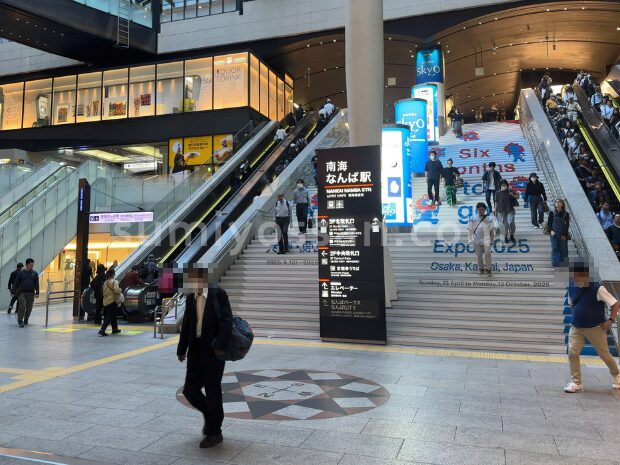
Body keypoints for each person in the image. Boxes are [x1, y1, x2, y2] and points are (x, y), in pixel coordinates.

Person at [177, 266, 232, 449]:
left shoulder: (218, 294)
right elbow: (187, 323)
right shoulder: (191, 298)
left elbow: (226, 321)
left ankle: (215, 432)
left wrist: (219, 345)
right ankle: (212, 417)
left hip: (213, 351)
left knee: (212, 389)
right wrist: (181, 348)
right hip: (195, 349)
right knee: (190, 390)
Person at [564, 262, 620, 393]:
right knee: (572, 352)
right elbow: (572, 304)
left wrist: (610, 320)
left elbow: (615, 304)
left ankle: (616, 375)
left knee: (604, 354)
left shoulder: (597, 288)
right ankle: (576, 382)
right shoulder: (571, 286)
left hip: (596, 327)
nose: (578, 279)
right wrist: (578, 317)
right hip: (576, 326)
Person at [468, 202, 494, 275]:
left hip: (487, 239)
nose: (480, 211)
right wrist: (470, 239)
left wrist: (492, 240)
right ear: (477, 209)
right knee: (479, 255)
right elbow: (470, 230)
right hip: (477, 239)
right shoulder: (472, 218)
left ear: (485, 210)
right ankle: (481, 268)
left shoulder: (489, 219)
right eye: (479, 209)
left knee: (487, 254)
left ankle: (488, 269)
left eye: (482, 209)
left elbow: (492, 231)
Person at [11, 258, 39, 327]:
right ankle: (20, 321)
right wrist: (12, 291)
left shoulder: (35, 273)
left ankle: (26, 319)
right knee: (22, 306)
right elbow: (16, 283)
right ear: (26, 264)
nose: (32, 266)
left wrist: (37, 292)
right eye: (31, 264)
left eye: (33, 264)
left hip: (31, 293)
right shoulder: (21, 273)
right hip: (22, 293)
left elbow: (36, 283)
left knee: (29, 308)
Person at [99, 268, 122, 337]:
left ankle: (115, 329)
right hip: (112, 300)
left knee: (112, 315)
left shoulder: (105, 282)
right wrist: (120, 290)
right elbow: (116, 290)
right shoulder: (114, 281)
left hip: (106, 301)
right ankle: (102, 330)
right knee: (109, 316)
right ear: (113, 274)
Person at [494, 179, 518, 244]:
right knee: (505, 225)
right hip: (501, 211)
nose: (504, 186)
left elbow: (517, 196)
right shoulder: (497, 192)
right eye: (502, 185)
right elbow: (496, 201)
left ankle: (512, 235)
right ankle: (505, 237)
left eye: (505, 185)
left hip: (510, 210)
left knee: (511, 224)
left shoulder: (510, 190)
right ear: (500, 185)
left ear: (507, 185)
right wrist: (495, 210)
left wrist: (511, 194)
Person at [548, 199, 570, 268]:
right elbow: (549, 223)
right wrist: (551, 230)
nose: (557, 203)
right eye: (556, 202)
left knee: (563, 250)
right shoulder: (551, 213)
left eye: (559, 202)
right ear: (554, 204)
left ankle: (563, 265)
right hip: (553, 234)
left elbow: (567, 225)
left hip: (562, 235)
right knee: (554, 249)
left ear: (562, 204)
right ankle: (555, 265)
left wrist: (563, 234)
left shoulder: (566, 214)